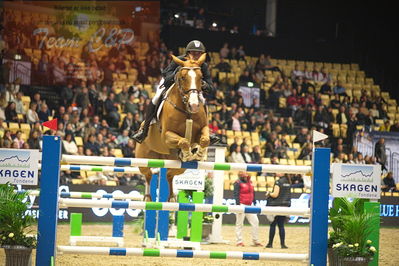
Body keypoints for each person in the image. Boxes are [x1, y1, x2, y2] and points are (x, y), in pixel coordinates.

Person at [132, 40, 218, 144]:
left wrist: (202, 84)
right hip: (172, 84)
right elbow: (165, 74)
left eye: (199, 53)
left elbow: (211, 87)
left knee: (203, 101)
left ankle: (207, 130)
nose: (196, 56)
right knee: (156, 97)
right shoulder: (180, 60)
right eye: (194, 53)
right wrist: (177, 74)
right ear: (188, 53)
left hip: (192, 89)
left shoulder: (202, 66)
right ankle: (144, 130)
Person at [233, 171, 262, 247]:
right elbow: (236, 194)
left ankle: (255, 240)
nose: (245, 174)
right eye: (243, 173)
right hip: (241, 204)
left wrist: (254, 200)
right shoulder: (237, 182)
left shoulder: (250, 182)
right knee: (239, 223)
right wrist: (238, 204)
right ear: (240, 174)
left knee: (255, 221)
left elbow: (253, 192)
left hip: (250, 204)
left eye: (246, 173)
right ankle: (239, 241)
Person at [265, 174, 292, 249]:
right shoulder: (288, 182)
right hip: (285, 206)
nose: (277, 172)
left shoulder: (278, 182)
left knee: (273, 225)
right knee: (281, 226)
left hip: (276, 205)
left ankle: (270, 244)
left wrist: (268, 193)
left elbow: (275, 195)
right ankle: (283, 244)